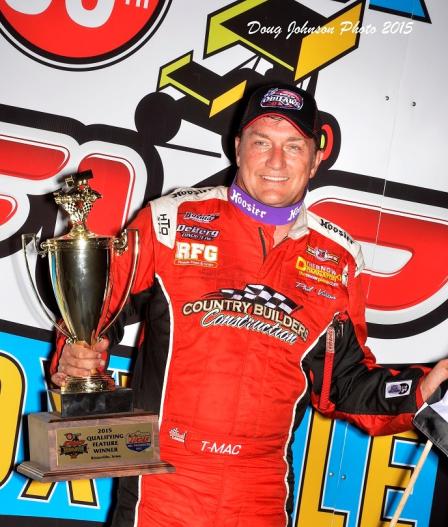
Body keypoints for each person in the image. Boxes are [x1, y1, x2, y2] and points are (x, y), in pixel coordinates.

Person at [50, 83, 448, 527]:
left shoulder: (339, 259)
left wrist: (420, 390)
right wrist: (76, 351)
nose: (276, 161)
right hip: (162, 482)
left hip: (261, 489)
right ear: (238, 149)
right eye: (262, 142)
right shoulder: (170, 219)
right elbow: (93, 311)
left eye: (293, 146)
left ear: (315, 159)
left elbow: (344, 383)